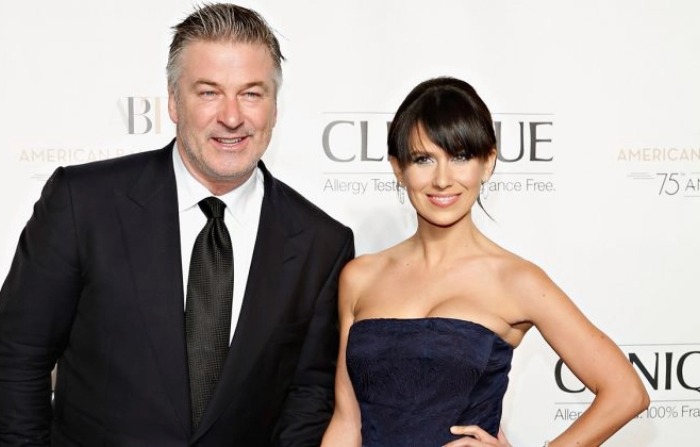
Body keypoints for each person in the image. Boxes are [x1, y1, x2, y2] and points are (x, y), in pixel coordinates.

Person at [0, 3, 354, 446]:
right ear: (172, 101)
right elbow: (17, 358)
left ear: (274, 106)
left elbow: (308, 399)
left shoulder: (323, 244)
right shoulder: (83, 203)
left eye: (251, 93)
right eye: (208, 92)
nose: (231, 116)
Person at [321, 76, 649, 446]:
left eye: (460, 157)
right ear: (398, 169)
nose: (442, 179)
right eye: (423, 159)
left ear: (488, 163)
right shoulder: (360, 277)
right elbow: (347, 422)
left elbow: (626, 392)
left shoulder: (516, 280)